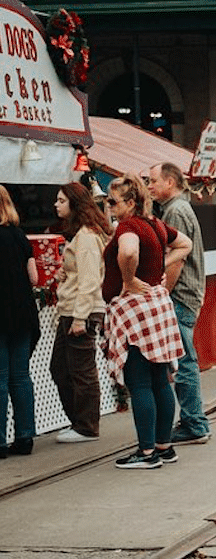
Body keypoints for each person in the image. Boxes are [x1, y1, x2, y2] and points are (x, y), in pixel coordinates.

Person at [101, 176, 192, 469]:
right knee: (159, 380)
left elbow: (128, 251)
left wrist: (128, 279)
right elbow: (185, 244)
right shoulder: (155, 224)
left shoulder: (128, 226)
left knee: (139, 382)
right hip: (155, 306)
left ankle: (147, 452)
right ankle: (164, 447)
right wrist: (159, 269)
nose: (108, 205)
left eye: (112, 201)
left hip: (134, 309)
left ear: (130, 203)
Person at [148, 163, 210, 446]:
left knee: (183, 361)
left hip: (181, 295)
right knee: (183, 359)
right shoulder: (177, 209)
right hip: (186, 293)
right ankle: (193, 421)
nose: (149, 186)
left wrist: (163, 293)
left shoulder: (175, 211)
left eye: (153, 181)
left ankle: (194, 423)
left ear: (170, 182)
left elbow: (177, 257)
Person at [50, 182, 112, 443]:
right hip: (74, 309)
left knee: (80, 371)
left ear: (74, 204)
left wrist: (79, 317)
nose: (56, 205)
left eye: (61, 201)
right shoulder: (85, 235)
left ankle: (86, 426)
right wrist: (65, 272)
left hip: (80, 311)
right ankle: (80, 422)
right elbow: (84, 273)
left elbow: (89, 279)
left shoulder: (86, 236)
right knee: (62, 368)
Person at [0, 186, 39, 459]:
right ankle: (25, 437)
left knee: (0, 379)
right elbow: (34, 278)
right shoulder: (19, 235)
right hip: (23, 314)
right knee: (21, 378)